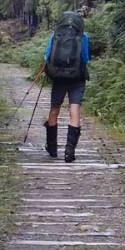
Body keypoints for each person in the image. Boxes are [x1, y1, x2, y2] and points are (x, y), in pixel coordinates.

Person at [41, 9, 91, 162]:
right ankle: (69, 152)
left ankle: (52, 148)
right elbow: (85, 58)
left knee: (54, 109)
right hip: (77, 78)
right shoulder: (83, 37)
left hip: (59, 78)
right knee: (74, 109)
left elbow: (47, 55)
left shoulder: (56, 36)